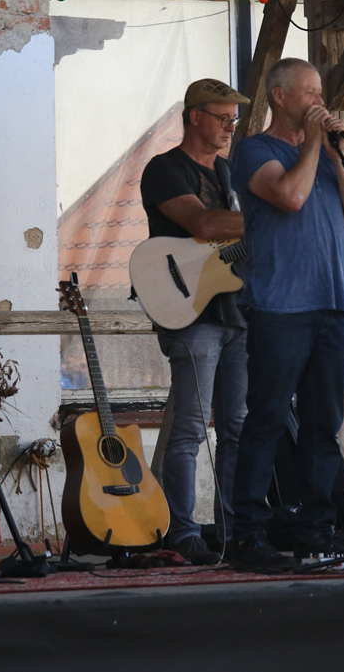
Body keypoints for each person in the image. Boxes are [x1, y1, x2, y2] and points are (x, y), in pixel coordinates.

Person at [227, 58, 344, 569]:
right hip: (279, 307)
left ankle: (315, 531)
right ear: (280, 96)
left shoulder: (327, 155)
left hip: (332, 305)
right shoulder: (254, 151)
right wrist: (312, 144)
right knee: (266, 421)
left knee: (321, 426)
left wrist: (336, 155)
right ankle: (247, 534)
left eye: (320, 93)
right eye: (308, 92)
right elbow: (290, 196)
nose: (318, 101)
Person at [139, 79, 251, 565]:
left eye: (234, 120)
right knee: (189, 428)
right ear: (195, 117)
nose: (230, 127)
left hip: (235, 312)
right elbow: (203, 225)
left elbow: (233, 241)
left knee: (237, 428)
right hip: (190, 312)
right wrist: (273, 218)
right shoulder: (165, 169)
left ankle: (233, 532)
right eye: (223, 118)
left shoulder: (228, 173)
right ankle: (181, 533)